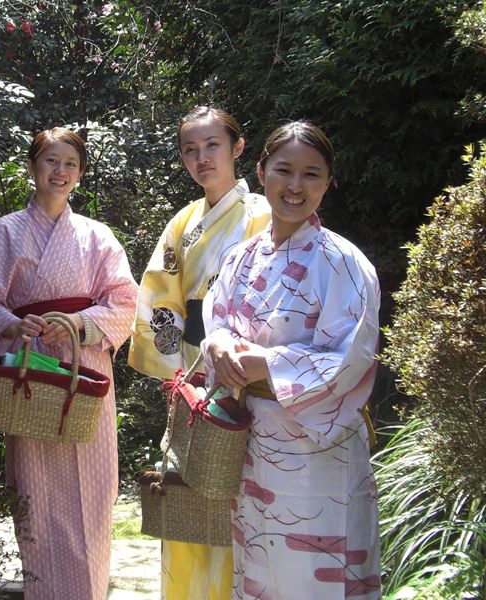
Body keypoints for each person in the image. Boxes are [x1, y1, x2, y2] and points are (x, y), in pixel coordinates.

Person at [0, 127, 139, 600]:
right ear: (34, 166)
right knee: (36, 495)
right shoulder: (3, 232)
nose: (61, 172)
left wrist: (77, 324)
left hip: (84, 365)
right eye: (51, 161)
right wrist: (14, 325)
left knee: (93, 495)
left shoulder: (97, 237)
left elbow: (125, 302)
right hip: (32, 371)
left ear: (81, 174)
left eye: (71, 163)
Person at [202, 121, 381, 599]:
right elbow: (216, 316)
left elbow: (353, 356)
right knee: (257, 567)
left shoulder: (343, 262)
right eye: (284, 170)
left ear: (328, 182)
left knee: (315, 568)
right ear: (262, 172)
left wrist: (270, 364)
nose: (295, 186)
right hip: (250, 441)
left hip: (315, 448)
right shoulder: (242, 257)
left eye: (312, 174)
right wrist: (215, 342)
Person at [128, 106, 270, 599]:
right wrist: (178, 371)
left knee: (240, 499)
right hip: (192, 371)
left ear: (238, 148)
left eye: (212, 145)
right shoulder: (184, 221)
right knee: (189, 493)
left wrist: (234, 356)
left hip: (245, 373)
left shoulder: (264, 215)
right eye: (190, 149)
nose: (201, 157)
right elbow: (160, 296)